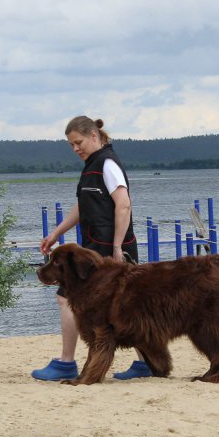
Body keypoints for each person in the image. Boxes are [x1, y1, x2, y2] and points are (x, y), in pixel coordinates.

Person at [31, 116, 151, 381]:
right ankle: (146, 364)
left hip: (108, 249)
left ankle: (65, 363)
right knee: (126, 307)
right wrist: (56, 233)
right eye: (71, 145)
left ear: (94, 136)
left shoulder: (107, 164)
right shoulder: (92, 166)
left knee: (68, 298)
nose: (76, 148)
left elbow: (124, 204)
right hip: (95, 247)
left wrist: (118, 246)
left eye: (79, 142)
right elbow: (82, 207)